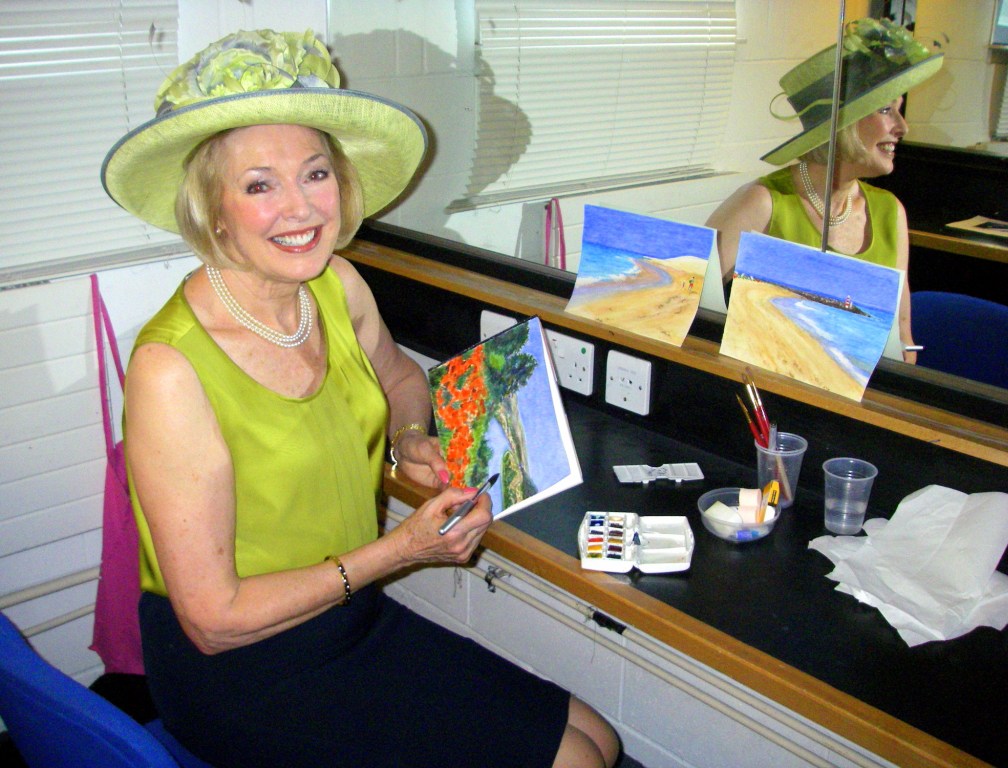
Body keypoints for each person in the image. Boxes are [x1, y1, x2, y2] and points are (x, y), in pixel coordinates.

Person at [101, 29, 619, 768]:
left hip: (346, 614)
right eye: (259, 185)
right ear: (212, 210)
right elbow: (214, 621)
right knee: (576, 761)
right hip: (241, 670)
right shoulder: (171, 370)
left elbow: (401, 378)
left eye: (315, 173)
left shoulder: (334, 285)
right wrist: (402, 550)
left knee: (597, 736)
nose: (299, 208)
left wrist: (410, 439)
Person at [706, 18, 943, 364]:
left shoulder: (890, 212)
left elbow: (903, 341)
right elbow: (687, 308)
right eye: (885, 110)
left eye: (900, 109)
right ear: (844, 122)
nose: (902, 127)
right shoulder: (763, 203)